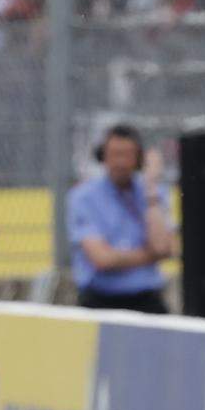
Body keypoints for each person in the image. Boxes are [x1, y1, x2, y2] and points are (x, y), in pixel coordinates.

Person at [67, 123, 174, 314]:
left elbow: (163, 247)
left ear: (139, 159)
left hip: (146, 300)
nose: (121, 163)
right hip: (99, 301)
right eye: (115, 154)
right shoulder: (84, 197)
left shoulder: (153, 194)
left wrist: (150, 188)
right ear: (103, 156)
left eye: (127, 155)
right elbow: (103, 259)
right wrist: (148, 256)